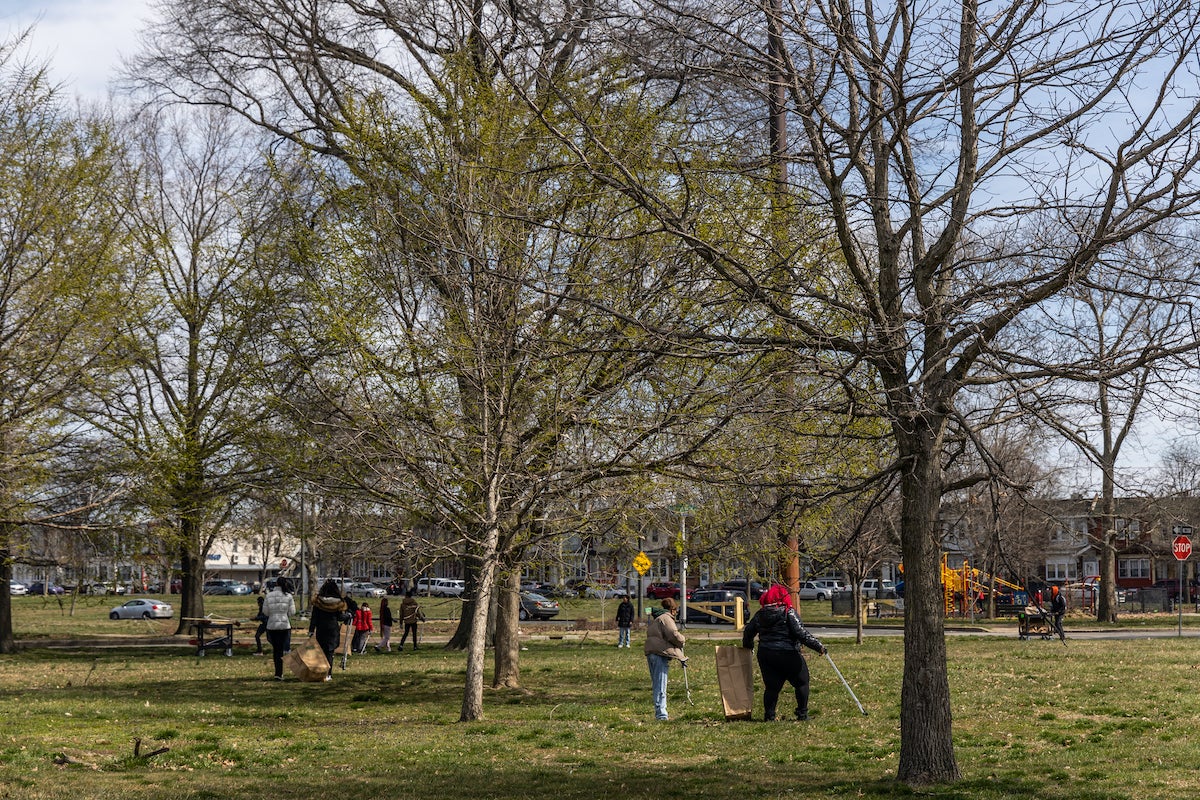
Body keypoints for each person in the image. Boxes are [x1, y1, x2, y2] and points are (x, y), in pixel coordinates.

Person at [741, 583, 826, 721]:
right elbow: (801, 633)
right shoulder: (788, 612)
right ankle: (802, 714)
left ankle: (769, 716)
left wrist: (748, 646)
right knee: (802, 682)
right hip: (788, 653)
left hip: (766, 654)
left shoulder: (760, 614)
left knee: (771, 687)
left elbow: (748, 632)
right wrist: (819, 646)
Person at [644, 597, 686, 721]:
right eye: (676, 611)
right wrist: (682, 640)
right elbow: (673, 634)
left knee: (657, 683)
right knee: (661, 685)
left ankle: (659, 711)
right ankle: (661, 714)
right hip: (659, 654)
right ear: (673, 609)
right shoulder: (666, 618)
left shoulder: (657, 618)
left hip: (651, 651)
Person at [308, 579, 350, 681]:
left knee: (321, 652)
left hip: (321, 629)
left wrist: (311, 630)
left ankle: (320, 672)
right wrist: (348, 616)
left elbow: (314, 617)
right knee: (329, 653)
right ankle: (328, 674)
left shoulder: (318, 601)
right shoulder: (338, 603)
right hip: (332, 630)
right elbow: (340, 617)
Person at [262, 576, 296, 680]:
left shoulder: (269, 595)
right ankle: (285, 670)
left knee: (276, 650)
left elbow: (265, 612)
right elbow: (292, 612)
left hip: (272, 625)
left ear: (276, 584)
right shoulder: (288, 596)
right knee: (283, 649)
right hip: (285, 625)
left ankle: (278, 673)